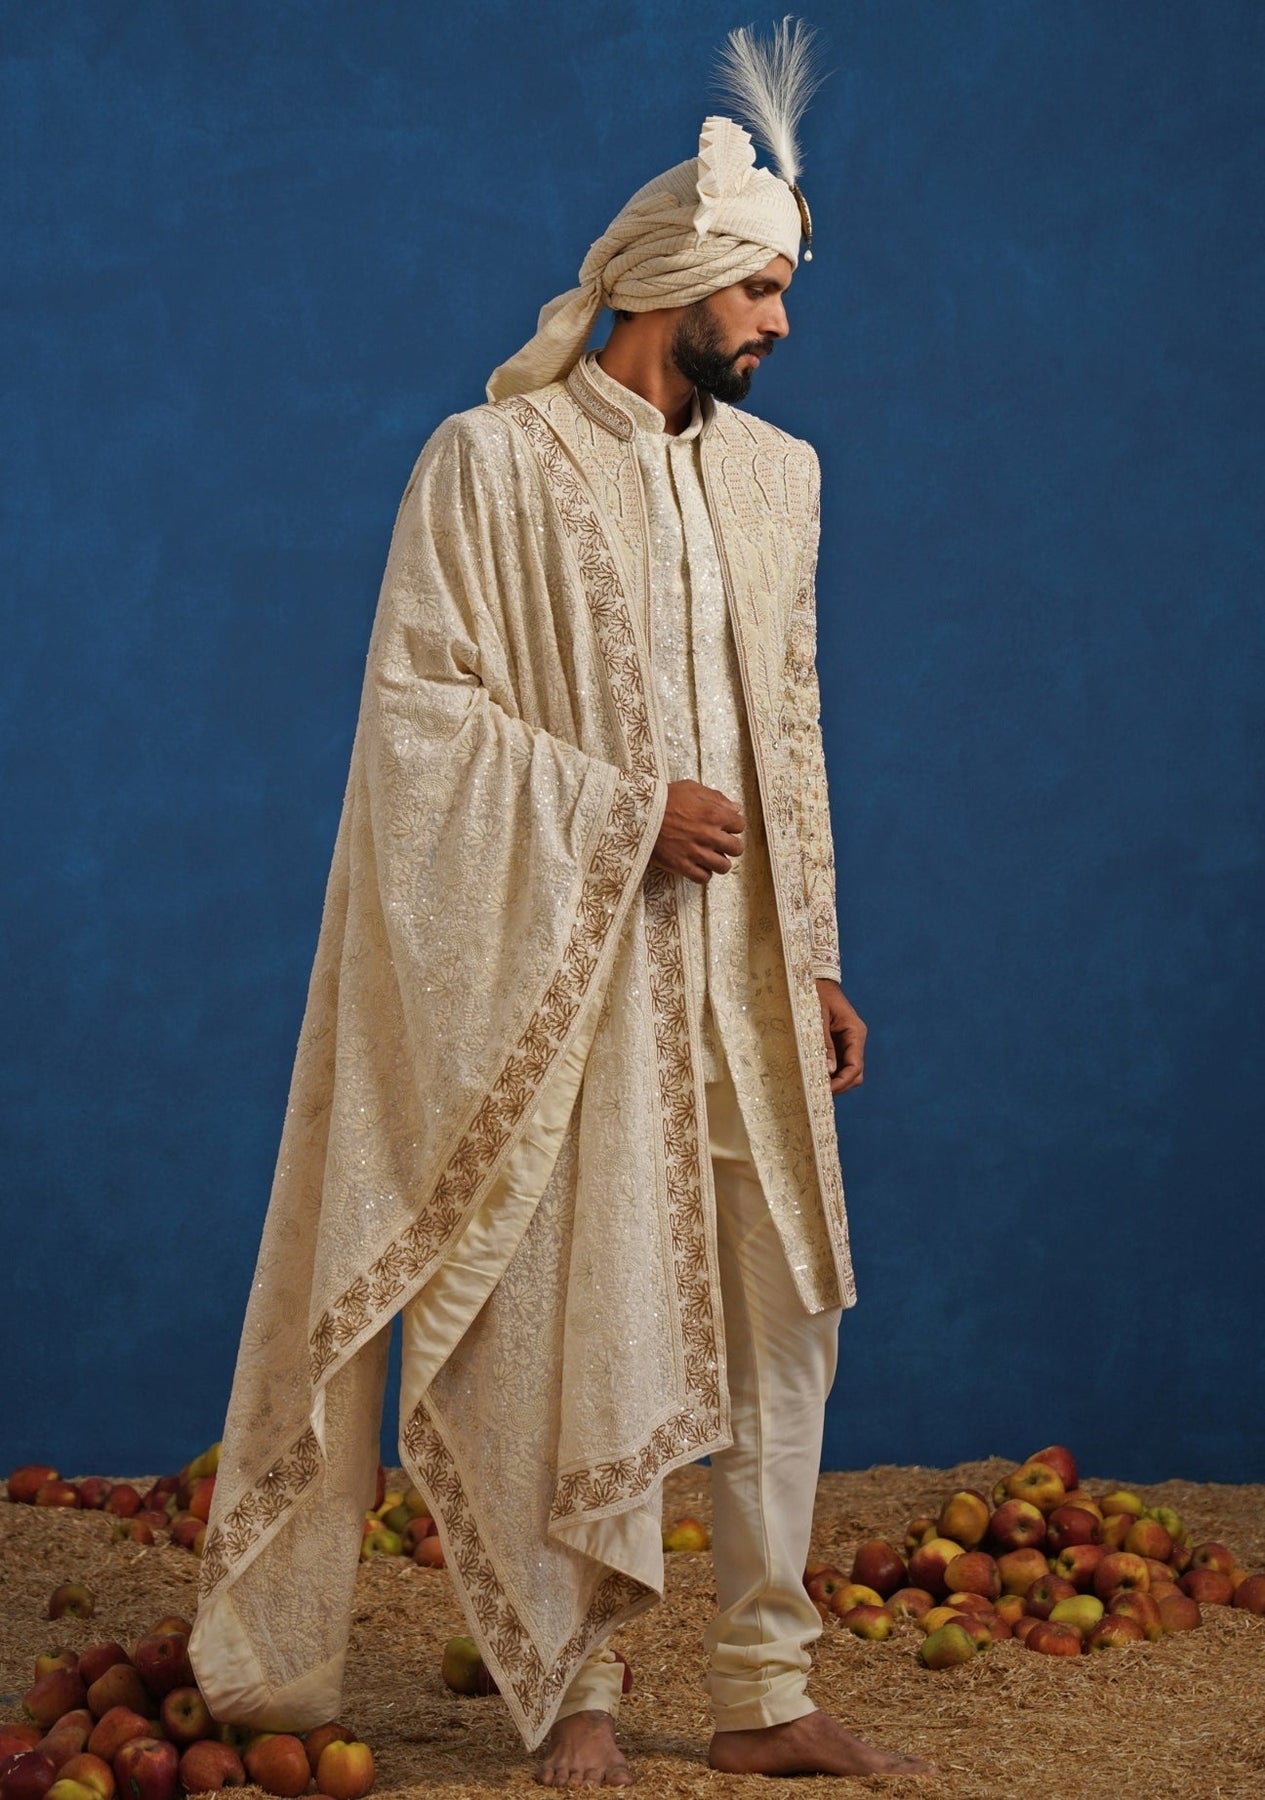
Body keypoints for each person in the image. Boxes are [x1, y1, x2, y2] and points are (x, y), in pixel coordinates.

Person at [189, 22, 934, 1787]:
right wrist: (618, 815)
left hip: (742, 979)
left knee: (782, 1321)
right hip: (574, 976)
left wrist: (816, 956)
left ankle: (761, 1686)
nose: (778, 325)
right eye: (757, 289)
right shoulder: (490, 463)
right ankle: (573, 1682)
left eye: (781, 290)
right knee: (583, 1315)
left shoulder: (779, 478)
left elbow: (792, 730)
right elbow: (418, 719)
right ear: (668, 280)